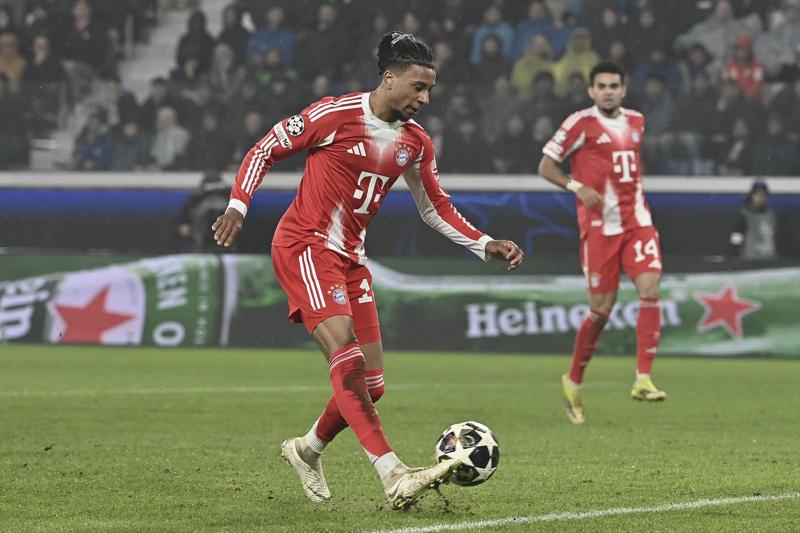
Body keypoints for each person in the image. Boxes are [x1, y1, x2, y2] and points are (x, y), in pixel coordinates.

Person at [211, 32, 523, 509]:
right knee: (347, 356)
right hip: (305, 245)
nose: (425, 98)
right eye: (418, 87)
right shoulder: (334, 114)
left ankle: (307, 449)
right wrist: (238, 205)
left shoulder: (415, 143)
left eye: (430, 90)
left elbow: (435, 208)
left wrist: (484, 243)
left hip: (351, 261)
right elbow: (265, 149)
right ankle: (393, 474)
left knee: (372, 384)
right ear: (389, 78)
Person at [538, 62, 666, 426]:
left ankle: (643, 379)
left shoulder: (637, 121)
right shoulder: (579, 123)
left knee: (650, 289)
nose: (608, 91)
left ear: (623, 89)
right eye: (602, 86)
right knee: (601, 311)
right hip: (599, 229)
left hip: (637, 223)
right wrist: (577, 186)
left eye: (614, 85)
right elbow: (546, 166)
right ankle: (574, 380)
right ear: (591, 91)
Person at [730, 180, 779, 261]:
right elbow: (737, 235)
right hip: (751, 259)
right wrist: (735, 254)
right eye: (758, 195)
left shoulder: (771, 214)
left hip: (769, 258)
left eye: (763, 195)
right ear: (752, 196)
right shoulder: (744, 214)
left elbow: (774, 237)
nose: (761, 198)